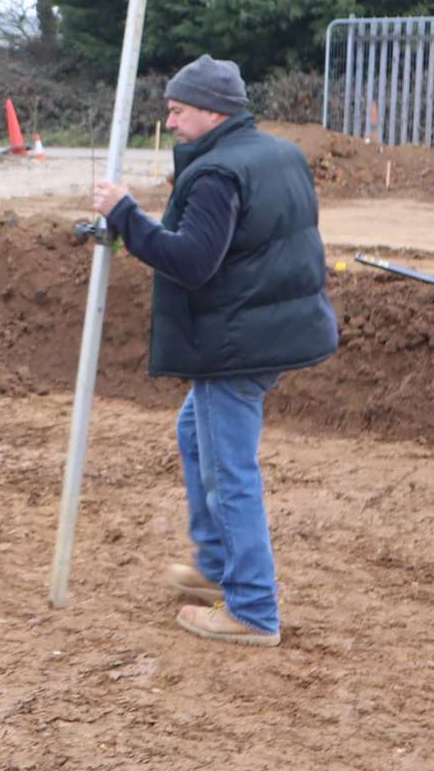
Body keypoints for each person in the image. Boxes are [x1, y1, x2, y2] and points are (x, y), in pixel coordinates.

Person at [91, 54, 339, 648]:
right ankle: (215, 565)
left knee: (230, 470)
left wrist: (124, 214)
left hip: (239, 342)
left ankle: (252, 607)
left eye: (177, 111)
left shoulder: (217, 174)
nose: (171, 122)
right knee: (194, 433)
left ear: (209, 110)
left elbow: (192, 262)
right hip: (278, 328)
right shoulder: (278, 153)